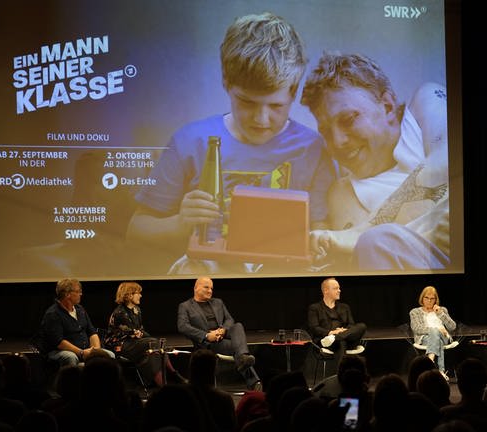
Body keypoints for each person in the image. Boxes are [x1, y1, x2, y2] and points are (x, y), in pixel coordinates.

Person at [126, 12, 334, 274]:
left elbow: (321, 227)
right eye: (247, 102)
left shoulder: (313, 149)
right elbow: (136, 230)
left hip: (279, 276)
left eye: (276, 105)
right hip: (206, 274)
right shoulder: (189, 142)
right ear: (226, 82)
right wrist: (180, 223)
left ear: (293, 92)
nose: (261, 118)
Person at [300, 52, 450, 271]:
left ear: (387, 105)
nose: (338, 141)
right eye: (326, 132)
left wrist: (360, 231)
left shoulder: (426, 101)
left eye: (349, 120)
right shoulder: (341, 195)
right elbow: (374, 249)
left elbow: (449, 163)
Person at [177, 276, 260, 389]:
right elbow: (183, 327)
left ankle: (243, 358)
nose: (210, 291)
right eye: (206, 287)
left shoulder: (218, 302)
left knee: (237, 326)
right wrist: (206, 336)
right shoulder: (185, 306)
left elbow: (229, 319)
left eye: (211, 288)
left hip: (222, 335)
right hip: (207, 343)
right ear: (196, 288)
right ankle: (254, 382)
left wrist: (223, 330)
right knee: (238, 349)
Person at [105, 281, 184, 387]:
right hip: (120, 345)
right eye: (138, 293)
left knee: (155, 347)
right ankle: (171, 376)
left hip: (133, 342)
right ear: (129, 295)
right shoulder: (120, 313)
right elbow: (134, 333)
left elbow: (140, 330)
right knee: (154, 344)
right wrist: (152, 341)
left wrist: (157, 343)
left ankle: (165, 383)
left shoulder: (136, 310)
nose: (141, 295)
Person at [34, 278, 115, 367]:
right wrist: (81, 352)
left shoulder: (80, 310)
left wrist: (95, 350)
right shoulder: (53, 314)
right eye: (78, 291)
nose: (81, 294)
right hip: (61, 351)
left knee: (110, 355)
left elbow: (92, 332)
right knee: (70, 357)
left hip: (85, 350)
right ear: (67, 294)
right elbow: (59, 342)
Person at [307, 277, 367, 362]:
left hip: (346, 339)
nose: (339, 291)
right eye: (335, 288)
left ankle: (335, 338)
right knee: (341, 343)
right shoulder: (315, 308)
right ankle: (341, 373)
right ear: (326, 291)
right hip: (327, 342)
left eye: (339, 288)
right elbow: (314, 328)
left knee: (362, 326)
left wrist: (342, 332)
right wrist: (331, 332)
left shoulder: (344, 307)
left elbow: (351, 325)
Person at [409, 285, 457, 377]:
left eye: (432, 298)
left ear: (436, 300)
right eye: (426, 298)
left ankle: (429, 363)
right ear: (422, 298)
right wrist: (436, 329)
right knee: (437, 339)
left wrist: (440, 314)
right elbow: (416, 328)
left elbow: (452, 327)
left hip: (444, 337)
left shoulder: (442, 310)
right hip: (425, 338)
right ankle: (441, 372)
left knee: (437, 336)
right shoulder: (415, 312)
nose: (429, 300)